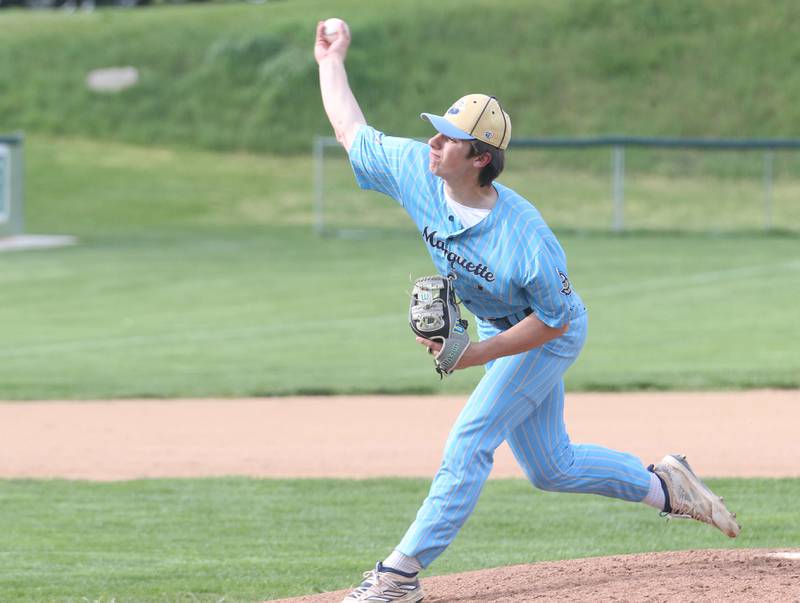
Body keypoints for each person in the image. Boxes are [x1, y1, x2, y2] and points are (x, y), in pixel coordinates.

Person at [314, 19, 740, 603]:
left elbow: (556, 320)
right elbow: (348, 129)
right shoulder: (418, 170)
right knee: (551, 468)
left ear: (481, 158)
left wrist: (476, 356)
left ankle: (400, 575)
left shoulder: (526, 242)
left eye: (449, 138)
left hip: (547, 333)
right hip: (499, 324)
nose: (434, 143)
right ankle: (665, 486)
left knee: (470, 439)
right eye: (435, 132)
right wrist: (330, 61)